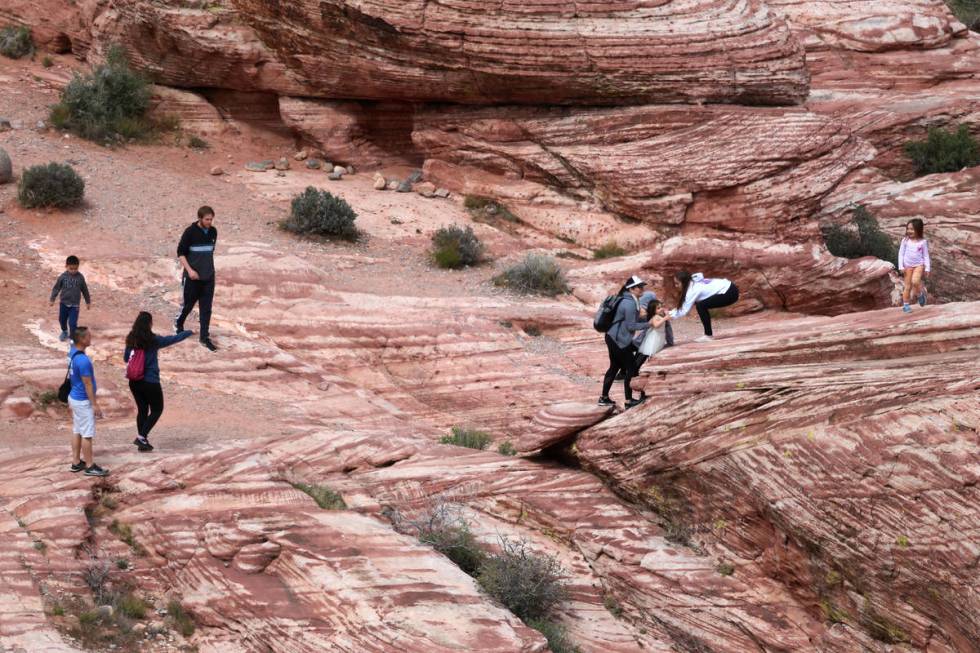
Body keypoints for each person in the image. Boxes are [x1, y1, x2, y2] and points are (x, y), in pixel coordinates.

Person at [124, 312, 193, 452]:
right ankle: (141, 437)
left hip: (134, 381)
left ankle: (143, 442)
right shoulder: (153, 339)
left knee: (142, 410)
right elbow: (172, 339)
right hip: (150, 381)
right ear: (149, 324)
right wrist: (188, 332)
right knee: (157, 409)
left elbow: (126, 358)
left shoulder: (131, 339)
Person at [599, 275, 651, 409]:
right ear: (631, 289)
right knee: (631, 368)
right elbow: (630, 326)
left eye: (642, 287)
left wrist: (646, 321)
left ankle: (604, 398)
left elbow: (629, 322)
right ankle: (629, 401)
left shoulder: (627, 300)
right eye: (639, 287)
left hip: (612, 336)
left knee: (614, 367)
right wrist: (649, 324)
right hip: (619, 340)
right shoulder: (629, 303)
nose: (642, 289)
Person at [175, 205, 218, 351]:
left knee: (206, 308)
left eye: (211, 219)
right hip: (192, 277)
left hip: (208, 277)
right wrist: (190, 270)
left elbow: (210, 253)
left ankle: (204, 337)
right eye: (207, 219)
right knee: (188, 304)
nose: (209, 222)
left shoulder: (213, 232)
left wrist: (209, 270)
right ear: (200, 218)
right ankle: (178, 324)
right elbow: (180, 253)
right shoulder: (190, 232)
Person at [66, 327, 108, 476]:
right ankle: (90, 466)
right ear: (82, 340)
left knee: (77, 430)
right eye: (89, 336)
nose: (91, 338)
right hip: (83, 401)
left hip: (74, 397)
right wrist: (94, 404)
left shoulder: (72, 353)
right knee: (87, 434)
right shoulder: (83, 360)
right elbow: (88, 383)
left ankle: (76, 462)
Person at [669, 271, 739, 341]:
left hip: (730, 292)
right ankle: (708, 335)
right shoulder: (692, 281)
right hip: (729, 287)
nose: (676, 286)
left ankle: (708, 335)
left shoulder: (693, 290)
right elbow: (699, 275)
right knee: (700, 304)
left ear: (684, 282)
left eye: (677, 283)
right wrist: (670, 313)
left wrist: (668, 315)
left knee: (701, 306)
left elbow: (683, 311)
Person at [49, 255, 91, 342]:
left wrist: (88, 301)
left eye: (75, 269)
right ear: (66, 266)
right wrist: (52, 299)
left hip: (75, 305)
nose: (73, 271)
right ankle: (64, 331)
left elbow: (84, 290)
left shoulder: (80, 277)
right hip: (64, 303)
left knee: (72, 323)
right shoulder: (62, 277)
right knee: (62, 320)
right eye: (71, 268)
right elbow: (56, 288)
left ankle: (73, 338)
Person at [898, 218, 930, 313]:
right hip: (907, 266)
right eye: (908, 229)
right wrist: (901, 266)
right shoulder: (905, 241)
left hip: (919, 265)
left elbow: (925, 255)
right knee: (907, 286)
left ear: (918, 229)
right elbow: (901, 253)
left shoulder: (922, 242)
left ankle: (920, 294)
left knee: (915, 281)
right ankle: (906, 305)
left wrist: (927, 268)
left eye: (912, 229)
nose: (909, 231)